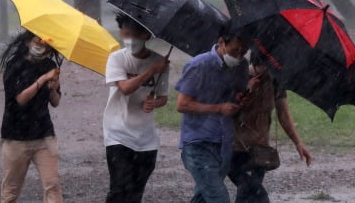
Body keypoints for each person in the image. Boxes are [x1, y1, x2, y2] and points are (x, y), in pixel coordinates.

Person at [228, 51, 313, 203]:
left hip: (260, 150)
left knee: (253, 190)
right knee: (250, 190)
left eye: (271, 69)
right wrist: (247, 91)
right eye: (263, 68)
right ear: (255, 64)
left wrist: (298, 143)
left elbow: (284, 115)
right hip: (234, 147)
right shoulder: (238, 75)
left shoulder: (275, 81)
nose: (267, 73)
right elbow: (227, 109)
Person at [103, 13, 170, 203]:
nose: (130, 40)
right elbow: (125, 88)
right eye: (125, 34)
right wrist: (151, 70)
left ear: (147, 36)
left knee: (136, 192)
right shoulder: (116, 59)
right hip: (118, 133)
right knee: (119, 189)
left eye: (135, 35)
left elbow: (163, 97)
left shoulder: (161, 62)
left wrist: (154, 103)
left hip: (146, 137)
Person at [176, 32, 249, 203]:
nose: (238, 56)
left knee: (203, 196)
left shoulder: (242, 66)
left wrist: (240, 100)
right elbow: (182, 105)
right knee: (219, 198)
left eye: (243, 52)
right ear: (222, 42)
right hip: (198, 143)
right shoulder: (198, 65)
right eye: (234, 50)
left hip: (224, 142)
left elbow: (235, 96)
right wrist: (218, 108)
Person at [0, 31, 63, 203]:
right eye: (37, 41)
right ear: (27, 42)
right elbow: (20, 99)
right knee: (11, 189)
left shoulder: (50, 66)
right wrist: (42, 80)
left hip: (44, 134)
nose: (41, 46)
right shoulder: (15, 66)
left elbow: (55, 102)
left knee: (52, 185)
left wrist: (53, 88)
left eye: (45, 43)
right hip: (16, 136)